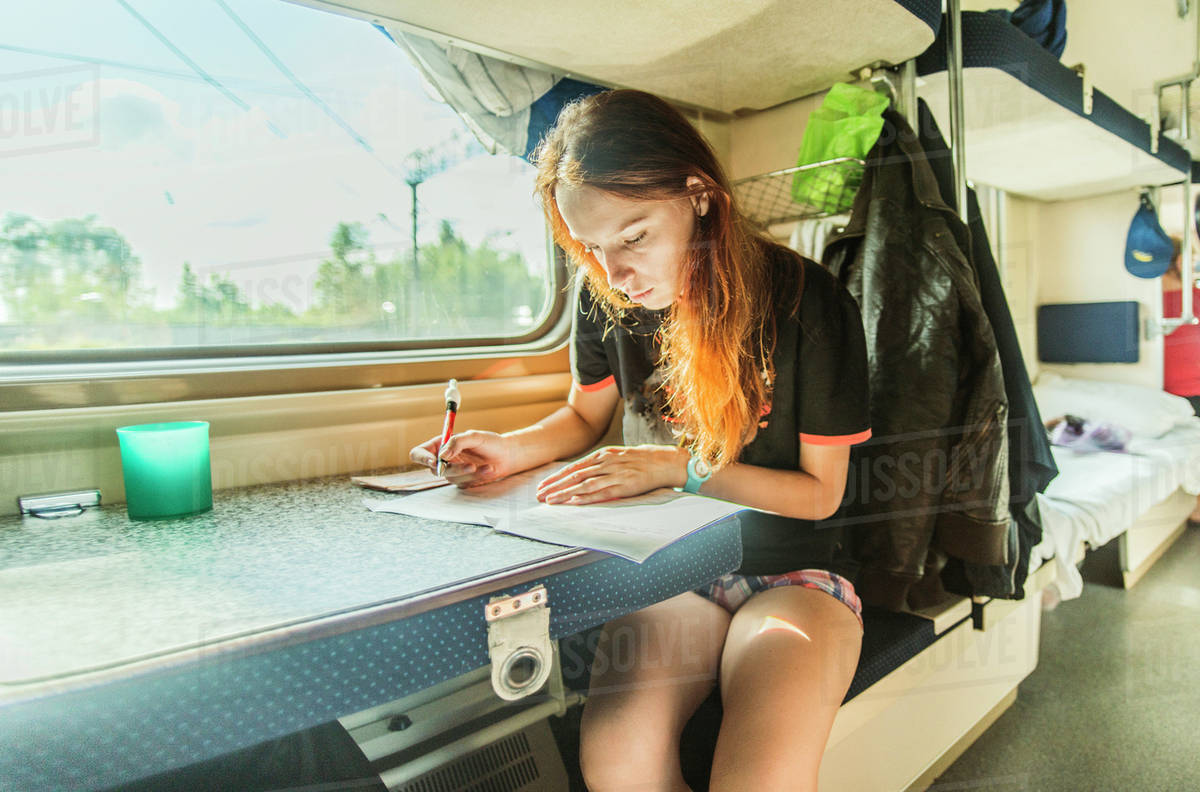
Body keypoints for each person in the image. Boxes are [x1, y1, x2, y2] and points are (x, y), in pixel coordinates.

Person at [410, 89, 872, 790]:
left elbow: (819, 497)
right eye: (591, 249)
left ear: (698, 196)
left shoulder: (807, 301)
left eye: (633, 237)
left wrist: (675, 469)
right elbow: (580, 418)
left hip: (791, 574)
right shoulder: (610, 301)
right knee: (618, 764)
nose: (617, 273)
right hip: (670, 573)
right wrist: (510, 449)